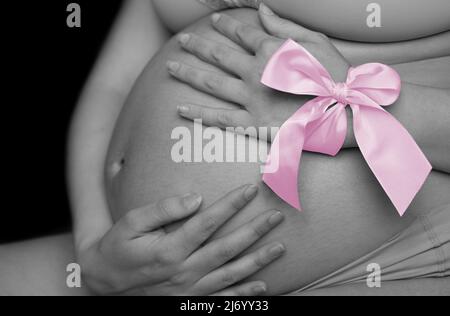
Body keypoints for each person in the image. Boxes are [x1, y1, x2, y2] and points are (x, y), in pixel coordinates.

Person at [1, 0, 448, 295]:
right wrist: (94, 252)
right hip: (133, 265)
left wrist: (349, 102)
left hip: (385, 260)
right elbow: (113, 84)